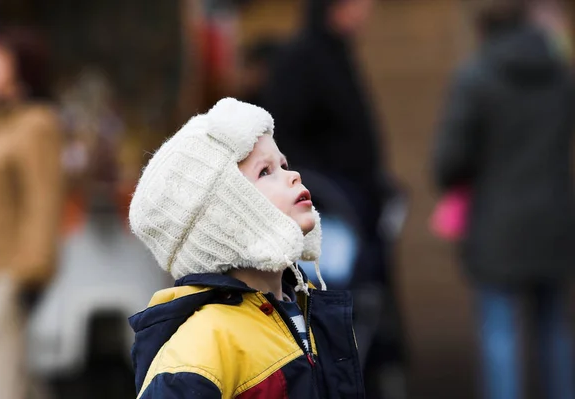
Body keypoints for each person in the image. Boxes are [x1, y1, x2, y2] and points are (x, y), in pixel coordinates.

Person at [128, 98, 364, 398]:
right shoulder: (201, 348)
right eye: (265, 172)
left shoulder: (306, 311)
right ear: (223, 217)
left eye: (283, 164)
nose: (293, 176)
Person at [262, 1, 407, 396]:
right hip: (328, 222)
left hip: (357, 216)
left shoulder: (337, 53)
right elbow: (286, 142)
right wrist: (324, 191)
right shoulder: (303, 59)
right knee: (333, 317)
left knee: (367, 314)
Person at [432, 1, 575, 398]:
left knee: (500, 336)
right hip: (554, 220)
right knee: (555, 332)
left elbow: (449, 160)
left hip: (497, 222)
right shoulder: (561, 75)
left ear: (483, 28)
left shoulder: (475, 76)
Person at [0, 27, 64, 399]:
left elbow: (43, 201)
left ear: (20, 67)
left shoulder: (37, 124)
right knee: (13, 370)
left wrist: (32, 270)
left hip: (12, 267)